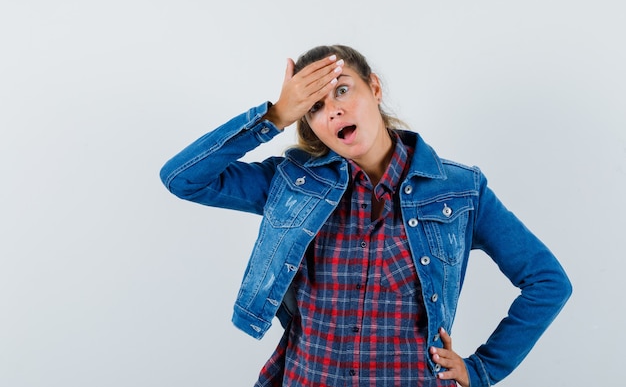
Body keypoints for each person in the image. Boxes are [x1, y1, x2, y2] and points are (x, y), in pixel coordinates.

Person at [159, 45, 572, 387]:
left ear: (374, 87)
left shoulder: (460, 190)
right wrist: (274, 117)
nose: (333, 111)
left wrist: (482, 369)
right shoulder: (290, 182)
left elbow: (548, 282)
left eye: (342, 90)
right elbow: (182, 179)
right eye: (314, 106)